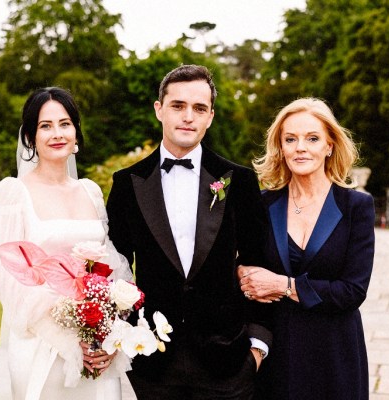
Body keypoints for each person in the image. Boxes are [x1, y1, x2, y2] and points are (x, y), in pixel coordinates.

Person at [106, 64, 272, 399]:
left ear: (210, 116)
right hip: (153, 364)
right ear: (159, 110)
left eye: (198, 108)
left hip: (228, 363)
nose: (188, 117)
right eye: (178, 106)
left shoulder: (237, 181)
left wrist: (256, 348)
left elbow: (261, 263)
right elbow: (113, 268)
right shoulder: (128, 183)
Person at [0, 87, 133, 399]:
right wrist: (70, 339)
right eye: (45, 126)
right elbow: (5, 276)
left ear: (76, 133)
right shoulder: (14, 192)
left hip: (96, 346)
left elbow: (111, 262)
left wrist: (108, 333)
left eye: (65, 124)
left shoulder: (90, 191)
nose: (57, 133)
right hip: (41, 343)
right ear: (30, 137)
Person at [239, 97, 375, 399]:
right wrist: (243, 277)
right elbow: (244, 270)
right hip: (277, 352)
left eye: (312, 138)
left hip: (335, 353)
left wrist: (284, 285)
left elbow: (353, 291)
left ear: (329, 146)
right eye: (291, 139)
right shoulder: (261, 204)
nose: (300, 147)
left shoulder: (357, 207)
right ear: (281, 147)